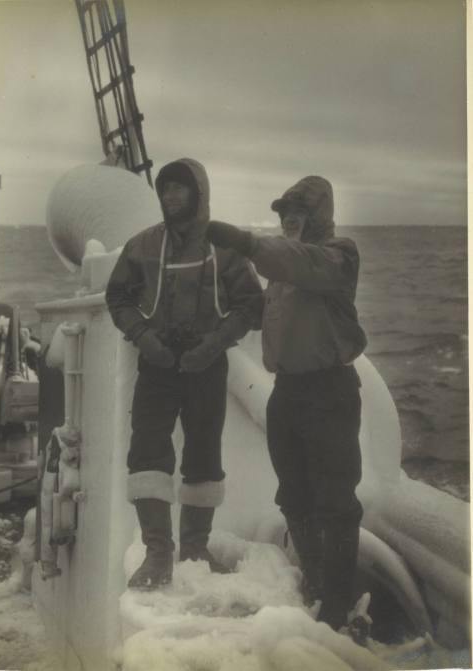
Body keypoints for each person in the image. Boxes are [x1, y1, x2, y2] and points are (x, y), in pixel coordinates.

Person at [206, 175, 367, 635]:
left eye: (297, 211)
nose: (287, 219)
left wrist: (245, 241)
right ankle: (316, 585)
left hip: (329, 392)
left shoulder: (339, 255)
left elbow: (300, 263)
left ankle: (338, 611)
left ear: (319, 215)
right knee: (294, 496)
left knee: (336, 503)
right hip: (288, 394)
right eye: (282, 212)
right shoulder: (283, 270)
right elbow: (259, 309)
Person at [106, 158, 263, 591]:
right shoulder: (142, 246)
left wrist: (213, 344)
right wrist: (143, 336)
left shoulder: (223, 247)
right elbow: (117, 296)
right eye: (165, 189)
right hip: (156, 367)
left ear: (199, 193)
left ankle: (196, 546)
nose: (171, 196)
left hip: (207, 367)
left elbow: (252, 304)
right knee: (147, 451)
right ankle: (159, 552)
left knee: (204, 453)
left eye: (180, 188)